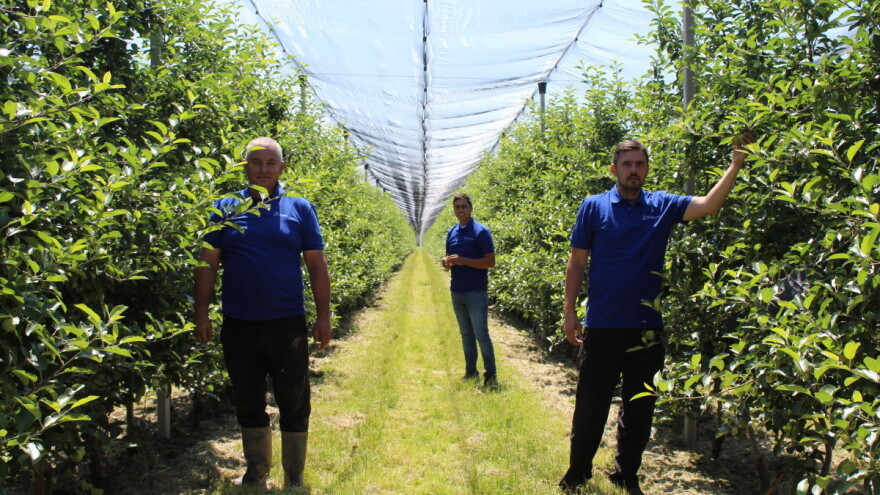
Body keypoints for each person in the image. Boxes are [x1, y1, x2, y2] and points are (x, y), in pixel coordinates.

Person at [559, 135, 754, 495]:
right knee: (591, 404)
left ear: (647, 168)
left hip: (647, 327)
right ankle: (577, 474)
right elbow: (577, 262)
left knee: (640, 407)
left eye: (640, 164)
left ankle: (626, 474)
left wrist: (735, 165)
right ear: (614, 169)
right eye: (627, 164)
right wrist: (570, 312)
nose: (634, 171)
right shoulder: (594, 206)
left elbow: (709, 205)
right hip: (602, 325)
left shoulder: (662, 205)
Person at [194, 137, 332, 489]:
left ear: (281, 167)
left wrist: (323, 317)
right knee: (247, 398)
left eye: (271, 163)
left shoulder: (299, 208)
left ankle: (294, 477)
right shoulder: (225, 208)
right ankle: (256, 473)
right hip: (239, 323)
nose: (264, 169)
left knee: (294, 398)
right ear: (245, 167)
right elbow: (208, 264)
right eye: (256, 162)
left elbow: (316, 264)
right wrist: (202, 313)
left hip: (286, 323)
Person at [442, 193, 498, 387]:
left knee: (481, 334)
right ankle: (470, 371)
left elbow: (490, 262)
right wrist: (446, 262)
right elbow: (448, 258)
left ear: (471, 208)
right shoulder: (452, 232)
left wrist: (464, 260)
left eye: (464, 206)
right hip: (457, 290)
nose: (460, 210)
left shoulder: (481, 232)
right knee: (466, 334)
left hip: (476, 291)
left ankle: (490, 375)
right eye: (457, 207)